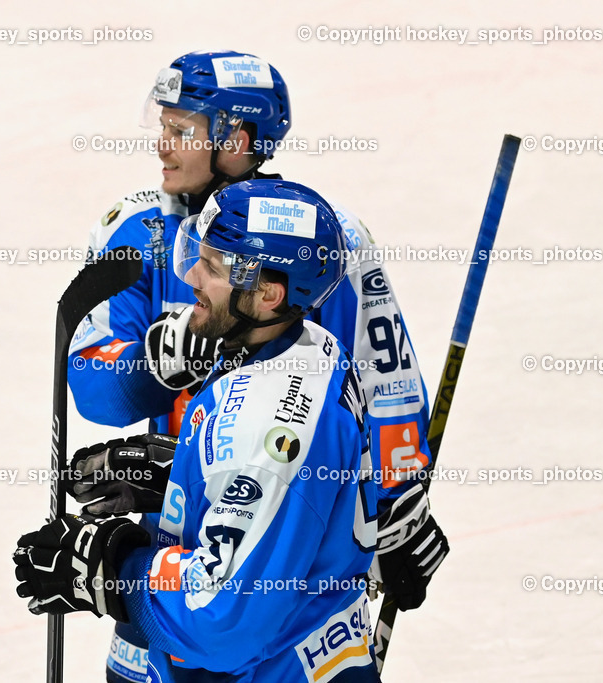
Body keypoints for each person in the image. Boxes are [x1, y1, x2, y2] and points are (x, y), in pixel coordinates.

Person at [65, 51, 448, 682]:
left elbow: (388, 384)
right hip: (177, 541)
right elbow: (94, 391)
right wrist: (158, 367)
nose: (162, 145)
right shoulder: (136, 229)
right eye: (162, 123)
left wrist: (394, 511)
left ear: (236, 141)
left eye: (182, 130)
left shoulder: (326, 240)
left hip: (295, 554)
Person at [17, 179, 386, 681]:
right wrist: (178, 479)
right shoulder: (300, 345)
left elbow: (223, 619)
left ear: (268, 293)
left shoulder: (275, 424)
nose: (190, 274)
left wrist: (110, 573)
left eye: (211, 266)